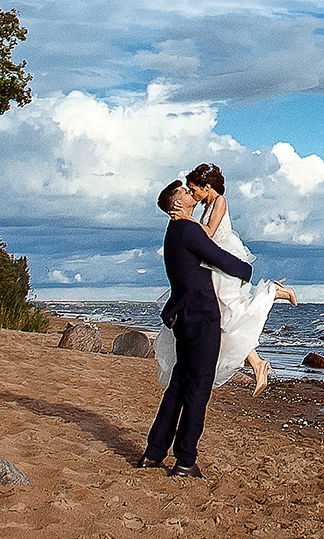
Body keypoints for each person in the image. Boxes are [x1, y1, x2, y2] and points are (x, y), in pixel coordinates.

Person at [138, 178, 253, 476]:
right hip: (201, 316)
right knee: (198, 388)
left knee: (178, 385)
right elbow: (221, 259)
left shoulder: (174, 231)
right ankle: (186, 460)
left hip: (184, 316)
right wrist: (247, 270)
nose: (191, 194)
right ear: (176, 203)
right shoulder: (187, 230)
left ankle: (154, 452)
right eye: (185, 192)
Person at [183, 163, 298, 393]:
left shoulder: (220, 201)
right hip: (213, 263)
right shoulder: (207, 204)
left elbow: (208, 233)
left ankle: (272, 292)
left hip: (224, 261)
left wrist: (185, 220)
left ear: (207, 186)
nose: (191, 192)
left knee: (229, 317)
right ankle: (257, 364)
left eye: (193, 188)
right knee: (227, 320)